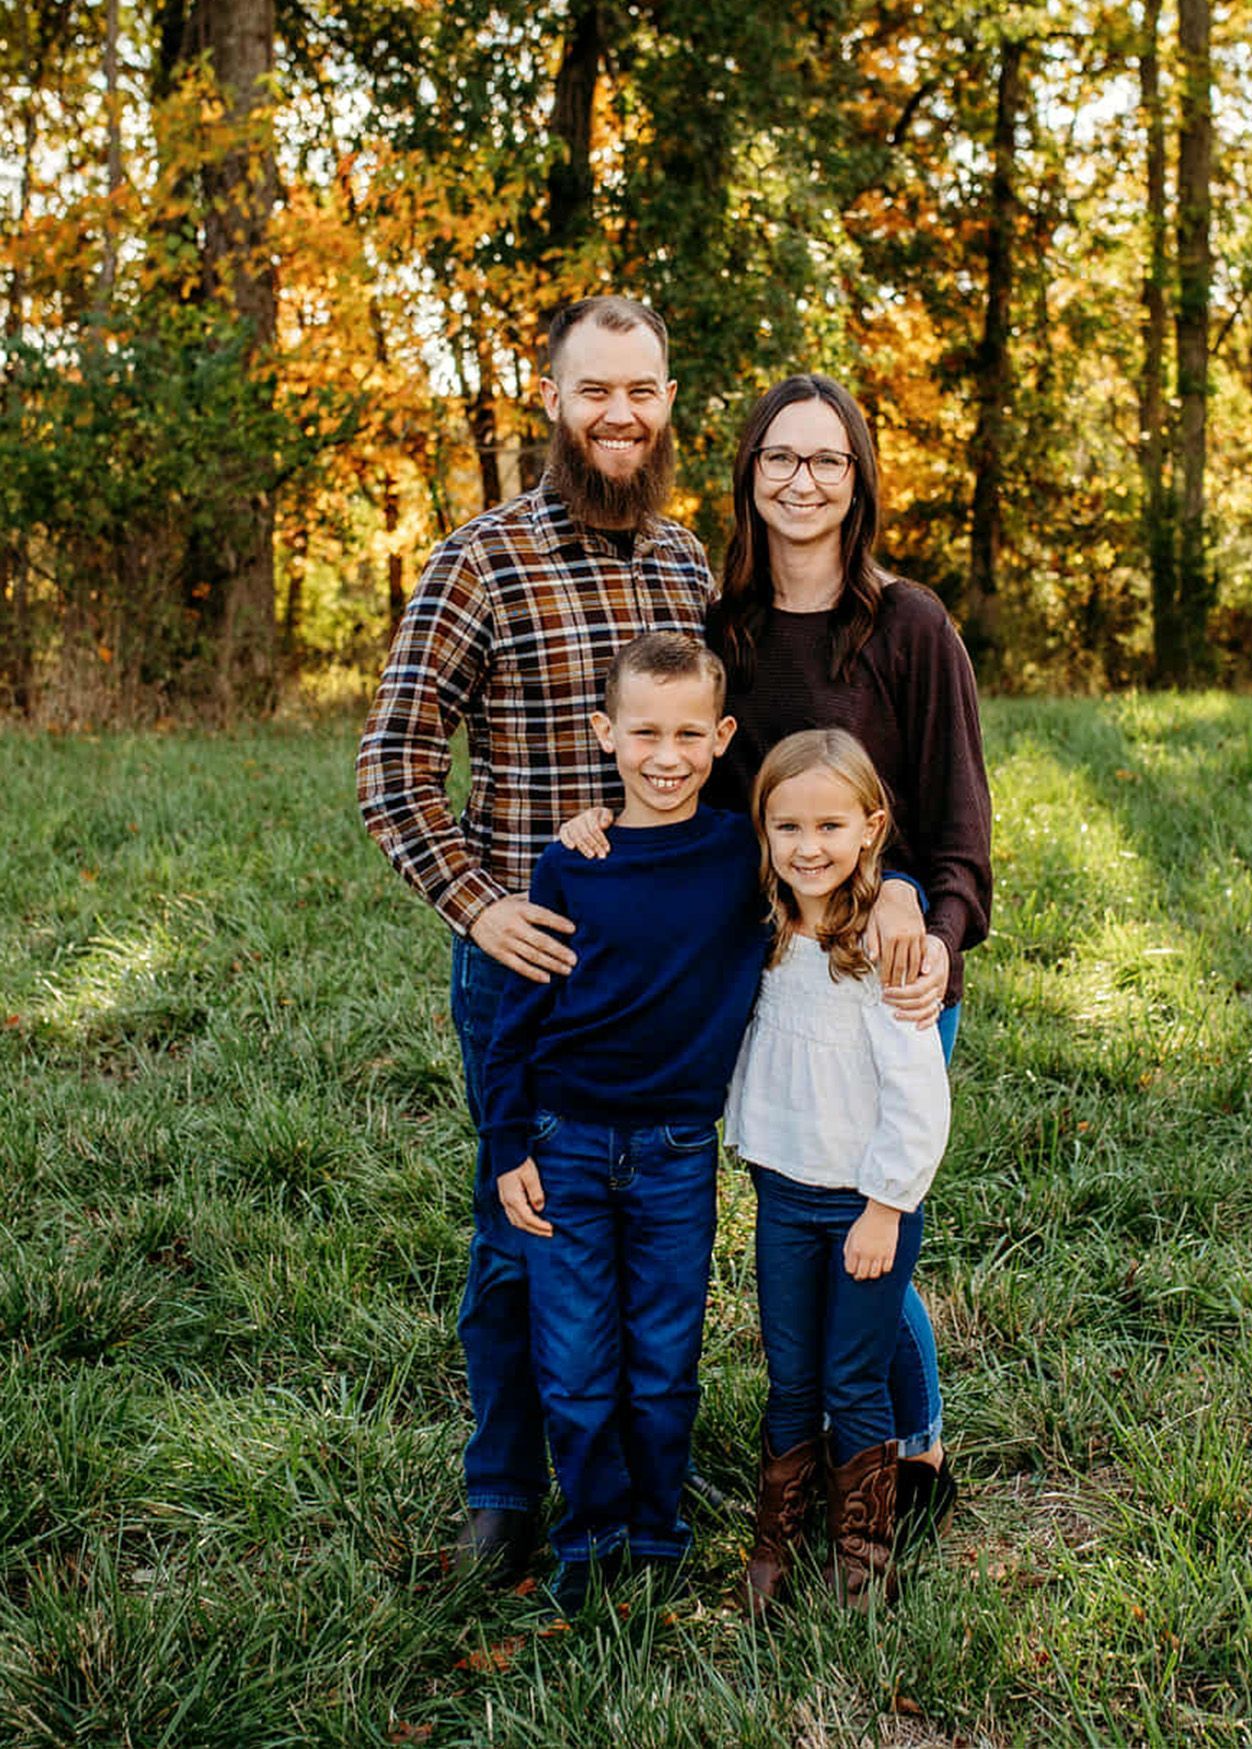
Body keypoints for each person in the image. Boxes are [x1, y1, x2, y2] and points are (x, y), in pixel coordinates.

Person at [566, 372, 994, 1531]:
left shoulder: (907, 625)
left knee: (875, 1207)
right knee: (803, 1205)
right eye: (778, 459)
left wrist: (931, 925)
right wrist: (609, 822)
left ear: (857, 482)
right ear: (748, 475)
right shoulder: (720, 633)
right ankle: (813, 1449)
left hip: (893, 967)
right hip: (766, 970)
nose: (801, 481)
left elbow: (958, 822)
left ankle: (909, 1449)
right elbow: (682, 781)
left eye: (827, 461)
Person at [357, 296, 714, 1584]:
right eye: (595, 390)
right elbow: (393, 765)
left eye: (644, 390)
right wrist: (479, 905)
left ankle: (630, 1479)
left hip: (664, 983)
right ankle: (503, 1490)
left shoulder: (686, 566)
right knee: (522, 1227)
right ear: (550, 400)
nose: (621, 414)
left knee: (657, 1231)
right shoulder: (481, 561)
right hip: (529, 972)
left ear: (669, 401)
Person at [481, 633, 767, 1613]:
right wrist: (505, 1143)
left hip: (677, 1152)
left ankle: (655, 1536)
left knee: (660, 1363)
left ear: (722, 736)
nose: (666, 753)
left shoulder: (741, 854)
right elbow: (519, 1014)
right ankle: (587, 1534)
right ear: (604, 734)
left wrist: (901, 900)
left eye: (690, 732)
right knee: (570, 1367)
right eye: (643, 730)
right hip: (562, 1141)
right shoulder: (569, 863)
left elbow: (836, 845)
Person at [724, 729, 950, 1611]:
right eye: (787, 827)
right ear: (763, 831)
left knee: (854, 1376)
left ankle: (863, 1554)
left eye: (829, 825)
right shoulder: (769, 938)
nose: (807, 847)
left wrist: (886, 1206)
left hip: (866, 1206)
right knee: (791, 1374)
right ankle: (774, 1542)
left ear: (871, 828)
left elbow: (919, 1099)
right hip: (782, 1197)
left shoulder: (881, 957)